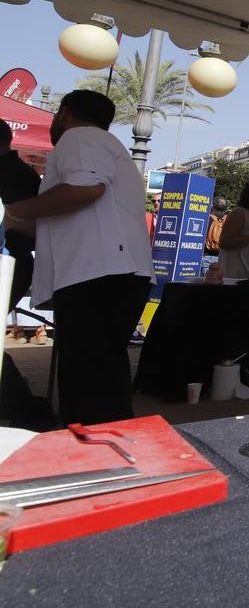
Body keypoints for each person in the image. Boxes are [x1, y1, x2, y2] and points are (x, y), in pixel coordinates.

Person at [1, 90, 152, 425]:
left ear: (65, 113)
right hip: (111, 273)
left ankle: (92, 450)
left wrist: (16, 209)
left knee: (88, 378)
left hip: (99, 275)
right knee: (101, 376)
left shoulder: (80, 137)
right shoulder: (105, 146)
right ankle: (106, 446)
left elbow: (85, 189)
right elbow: (68, 219)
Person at [0, 119, 40, 337]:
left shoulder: (15, 174)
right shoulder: (25, 173)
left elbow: (33, 225)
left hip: (10, 260)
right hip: (17, 261)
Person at [202, 196, 228, 269]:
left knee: (207, 279)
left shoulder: (206, 219)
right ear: (226, 209)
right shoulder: (230, 220)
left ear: (212, 206)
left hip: (206, 257)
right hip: (223, 258)